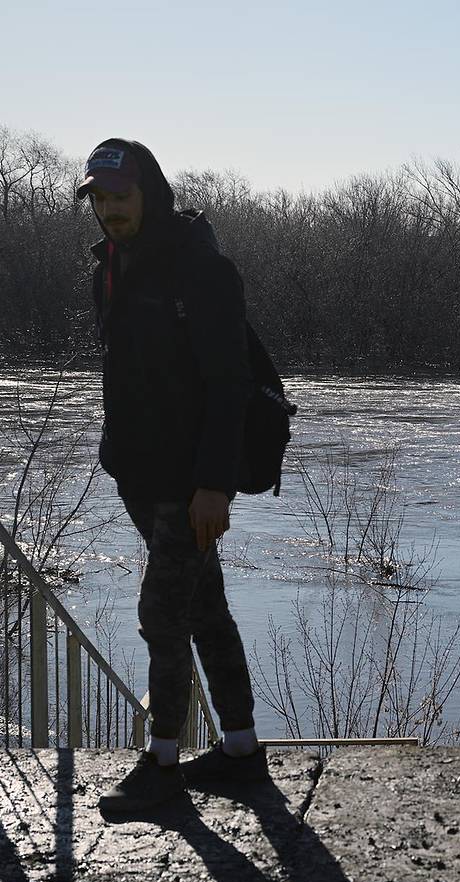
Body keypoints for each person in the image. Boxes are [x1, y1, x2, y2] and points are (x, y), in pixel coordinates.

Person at [80, 139, 268, 813]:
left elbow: (229, 384)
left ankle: (162, 769)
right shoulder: (109, 265)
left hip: (190, 481)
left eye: (120, 197)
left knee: (162, 615)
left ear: (148, 192)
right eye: (98, 199)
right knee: (205, 610)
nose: (109, 211)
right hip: (140, 473)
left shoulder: (201, 269)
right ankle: (241, 751)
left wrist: (214, 484)